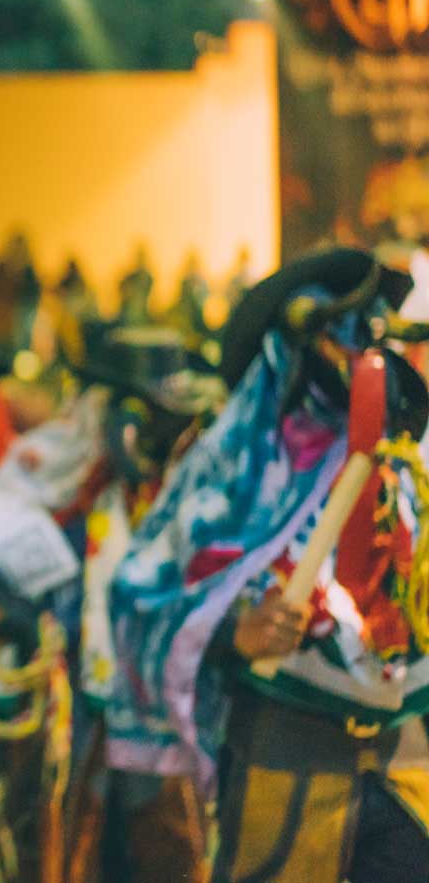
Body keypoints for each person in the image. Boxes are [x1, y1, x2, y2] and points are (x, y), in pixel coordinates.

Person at [106, 248, 429, 883]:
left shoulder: (399, 466)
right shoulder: (229, 469)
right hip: (283, 758)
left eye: (368, 334)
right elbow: (140, 596)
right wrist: (231, 631)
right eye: (338, 335)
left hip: (404, 768)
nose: (357, 354)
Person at [0, 324, 222, 883]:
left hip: (166, 718)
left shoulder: (192, 485)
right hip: (79, 708)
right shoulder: (61, 471)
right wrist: (11, 605)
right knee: (70, 848)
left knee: (166, 852)